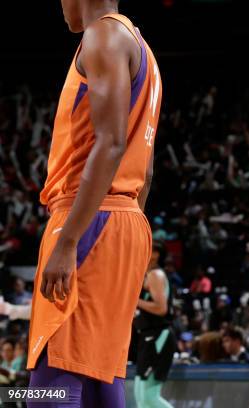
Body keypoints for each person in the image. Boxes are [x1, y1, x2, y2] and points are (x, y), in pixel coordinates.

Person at [26, 0, 162, 406]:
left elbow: (112, 141)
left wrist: (69, 241)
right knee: (100, 382)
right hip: (126, 218)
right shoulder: (140, 46)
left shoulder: (102, 34)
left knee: (50, 387)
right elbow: (148, 172)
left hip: (88, 218)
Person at [133, 241, 176, 408]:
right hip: (147, 336)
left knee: (149, 398)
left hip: (159, 336)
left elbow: (161, 308)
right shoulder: (147, 275)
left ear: (156, 254)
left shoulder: (155, 275)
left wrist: (134, 301)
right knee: (140, 398)